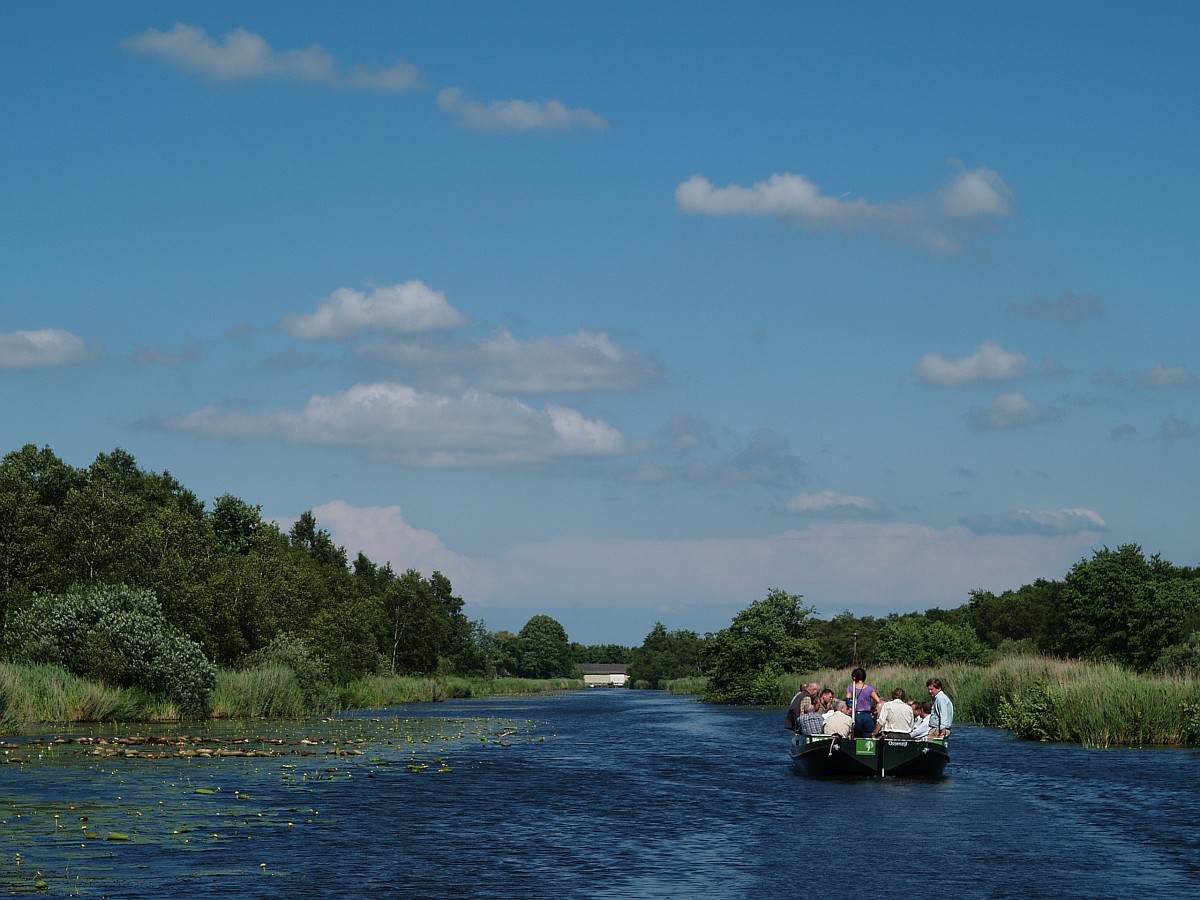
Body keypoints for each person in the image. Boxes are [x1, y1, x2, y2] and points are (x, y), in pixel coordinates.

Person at [845, 667, 882, 738]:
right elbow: (878, 701)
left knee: (856, 737)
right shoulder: (870, 688)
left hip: (856, 715)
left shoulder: (851, 688)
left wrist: (851, 707)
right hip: (867, 715)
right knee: (869, 736)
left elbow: (848, 699)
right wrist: (874, 710)